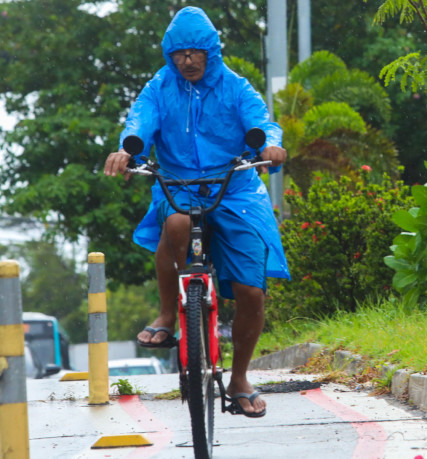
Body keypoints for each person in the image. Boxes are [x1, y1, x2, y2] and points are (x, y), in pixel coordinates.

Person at [104, 6, 289, 418]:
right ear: (169, 55)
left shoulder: (236, 87)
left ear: (211, 52)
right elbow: (140, 120)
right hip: (178, 185)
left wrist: (268, 145)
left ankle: (240, 377)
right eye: (179, 54)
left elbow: (262, 122)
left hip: (235, 187)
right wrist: (128, 148)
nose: (186, 61)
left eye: (194, 53)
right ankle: (170, 313)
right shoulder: (158, 86)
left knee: (251, 292)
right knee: (175, 223)